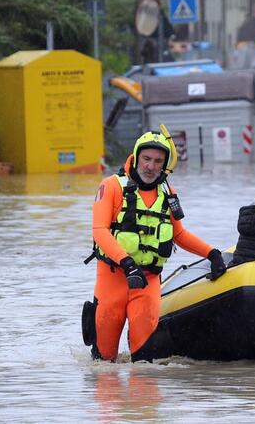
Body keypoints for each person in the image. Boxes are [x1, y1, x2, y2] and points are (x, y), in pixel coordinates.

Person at [83, 129, 226, 362]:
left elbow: (179, 234)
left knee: (144, 363)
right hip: (114, 278)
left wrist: (212, 253)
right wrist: (127, 264)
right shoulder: (110, 186)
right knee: (104, 361)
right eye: (146, 159)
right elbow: (100, 231)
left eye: (158, 161)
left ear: (165, 165)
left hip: (147, 281)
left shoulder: (168, 193)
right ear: (137, 157)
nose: (150, 166)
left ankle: (143, 398)